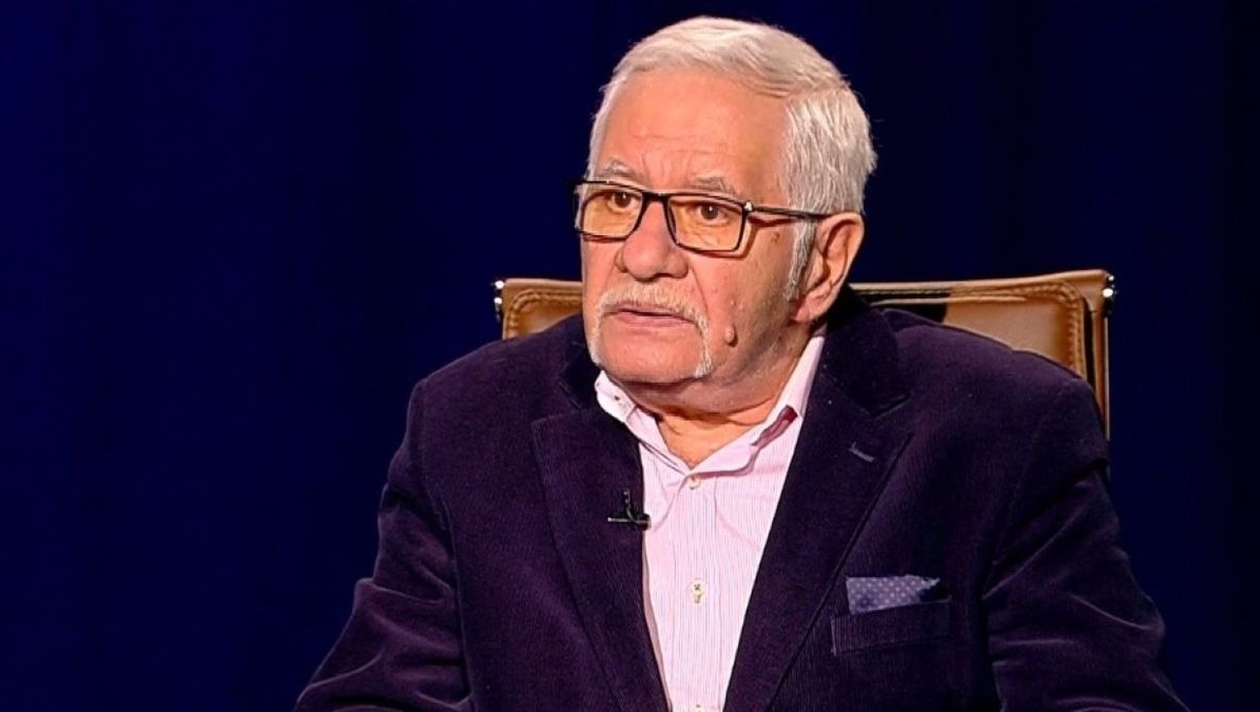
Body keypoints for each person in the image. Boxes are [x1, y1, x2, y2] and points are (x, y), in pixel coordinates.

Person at [297, 16, 1185, 711]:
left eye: (709, 214)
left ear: (823, 262)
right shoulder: (471, 428)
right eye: (616, 199)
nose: (642, 255)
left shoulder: (995, 434)